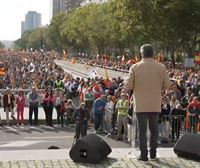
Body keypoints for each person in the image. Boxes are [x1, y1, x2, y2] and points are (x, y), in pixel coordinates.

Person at [124, 44, 171, 161]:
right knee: (154, 130)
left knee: (142, 131)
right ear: (152, 53)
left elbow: (128, 85)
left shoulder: (135, 67)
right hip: (155, 103)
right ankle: (153, 153)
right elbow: (167, 85)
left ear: (141, 54)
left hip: (140, 104)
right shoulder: (161, 67)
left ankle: (144, 155)